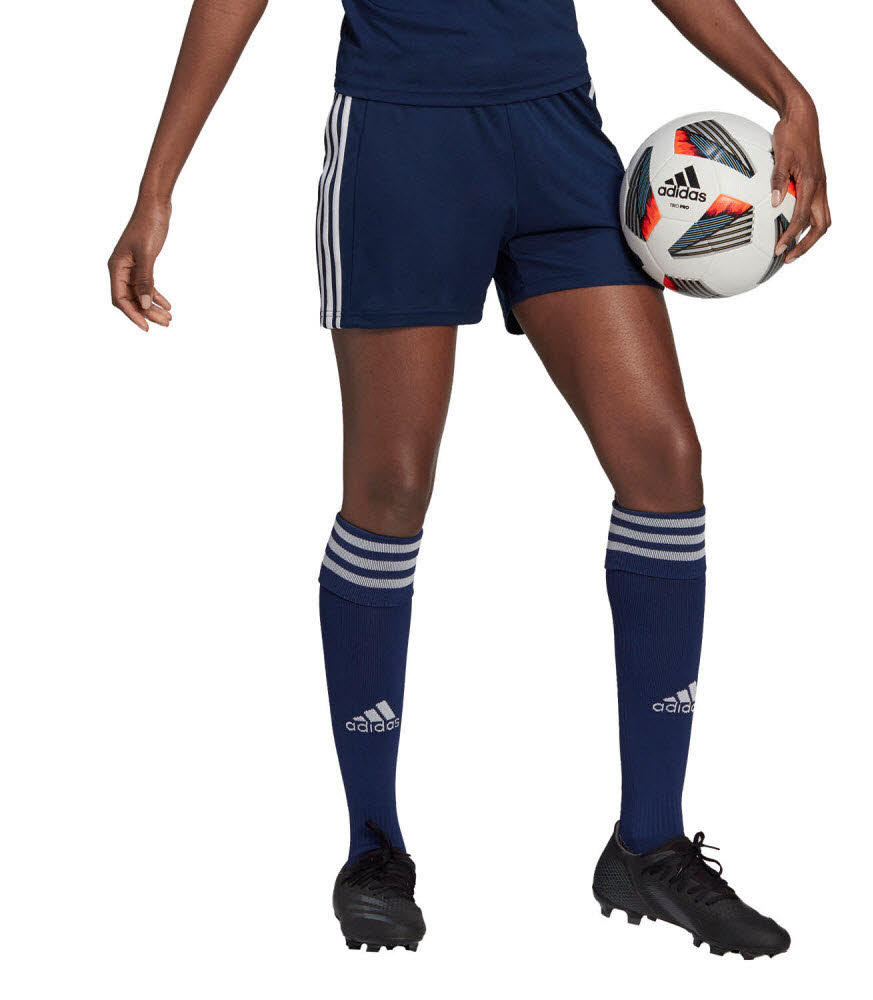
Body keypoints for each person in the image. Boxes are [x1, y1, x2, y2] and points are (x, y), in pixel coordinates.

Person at [109, 0, 829, 958]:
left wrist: (789, 94)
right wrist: (157, 188)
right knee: (391, 491)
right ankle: (373, 850)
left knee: (665, 460)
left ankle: (650, 844)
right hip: (402, 139)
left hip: (555, 131)